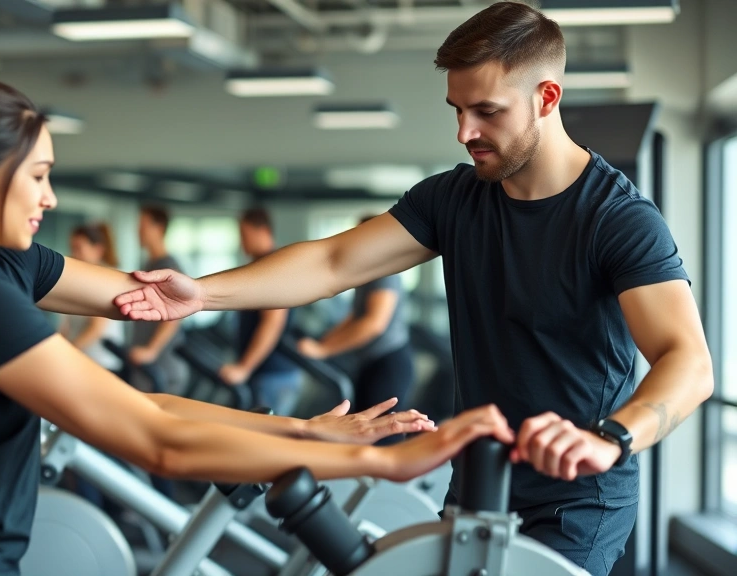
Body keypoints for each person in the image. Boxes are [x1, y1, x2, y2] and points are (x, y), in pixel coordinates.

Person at [114, 3, 714, 575]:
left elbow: (687, 359)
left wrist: (611, 438)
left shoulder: (617, 218)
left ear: (547, 97)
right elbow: (332, 261)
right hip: (478, 477)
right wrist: (203, 294)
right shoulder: (454, 198)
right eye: (456, 110)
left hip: (578, 500)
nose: (463, 131)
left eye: (485, 111)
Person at [0, 79, 510, 576]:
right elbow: (159, 443)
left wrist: (298, 430)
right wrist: (379, 463)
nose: (50, 197)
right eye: (38, 177)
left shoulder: (4, 268)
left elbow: (146, 360)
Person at [298, 214, 416, 444]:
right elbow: (354, 317)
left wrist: (323, 350)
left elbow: (373, 324)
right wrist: (322, 343)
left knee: (380, 441)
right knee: (362, 436)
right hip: (372, 363)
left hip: (388, 363)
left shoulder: (384, 269)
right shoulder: (369, 271)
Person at [221, 207, 302, 416]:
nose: (242, 243)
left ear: (262, 231)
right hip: (268, 373)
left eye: (244, 235)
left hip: (273, 375)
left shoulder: (272, 267)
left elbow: (272, 322)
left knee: (266, 440)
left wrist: (243, 368)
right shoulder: (262, 266)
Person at [127, 204, 189, 394]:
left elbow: (175, 317)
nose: (139, 231)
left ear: (159, 228)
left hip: (163, 367)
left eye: (144, 226)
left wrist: (151, 351)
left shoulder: (168, 267)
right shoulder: (148, 264)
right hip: (145, 366)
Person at [58, 222, 124, 372]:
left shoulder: (104, 279)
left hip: (101, 362)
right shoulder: (76, 280)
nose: (74, 254)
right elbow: (66, 326)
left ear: (98, 250)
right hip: (80, 360)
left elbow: (96, 328)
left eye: (79, 248)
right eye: (72, 248)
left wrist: (68, 350)